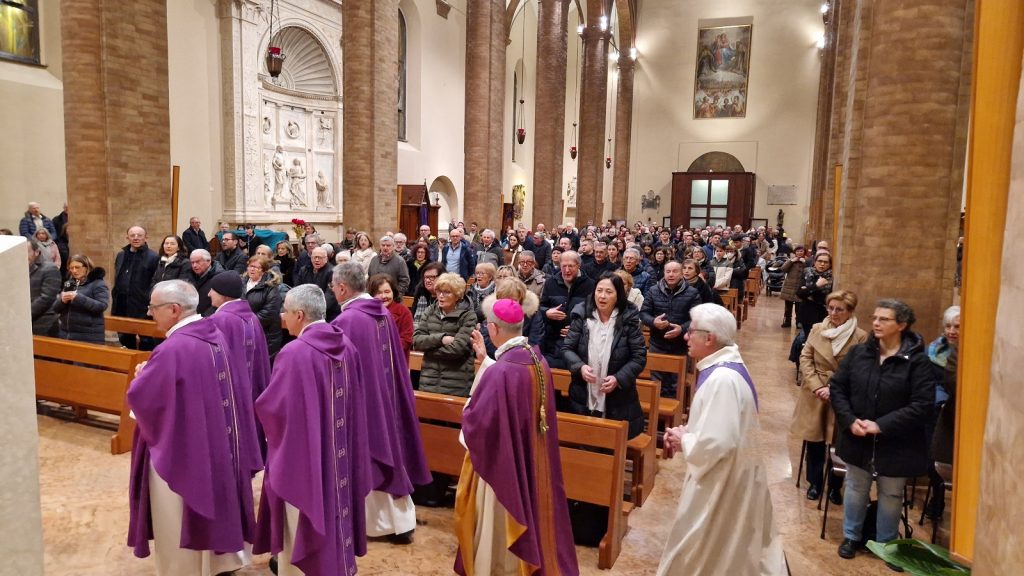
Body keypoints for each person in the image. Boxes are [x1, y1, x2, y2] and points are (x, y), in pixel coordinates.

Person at [127, 280, 262, 575]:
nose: (150, 313)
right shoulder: (214, 334)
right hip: (215, 442)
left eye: (154, 307)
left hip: (184, 450)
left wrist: (141, 377)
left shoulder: (174, 348)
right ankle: (218, 563)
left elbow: (144, 399)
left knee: (177, 513)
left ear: (174, 310)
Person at [658, 303, 786, 575]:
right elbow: (719, 425)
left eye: (691, 331)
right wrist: (689, 432)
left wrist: (685, 441)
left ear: (709, 338)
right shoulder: (724, 368)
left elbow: (718, 443)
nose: (686, 336)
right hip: (730, 473)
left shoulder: (723, 379)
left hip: (722, 482)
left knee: (709, 551)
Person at [454, 298, 579, 576]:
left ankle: (499, 567)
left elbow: (479, 421)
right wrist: (485, 361)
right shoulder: (537, 360)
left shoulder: (503, 370)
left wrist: (468, 409)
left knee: (498, 525)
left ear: (493, 329)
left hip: (503, 464)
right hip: (530, 455)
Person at [253, 285, 372, 576]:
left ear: (299, 315)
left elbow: (275, 409)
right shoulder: (346, 345)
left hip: (304, 458)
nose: (282, 318)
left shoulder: (294, 353)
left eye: (285, 312)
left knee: (302, 516)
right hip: (340, 451)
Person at [329, 263, 431, 545]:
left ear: (342, 288)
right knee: (389, 451)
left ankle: (380, 524)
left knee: (372, 454)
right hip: (386, 397)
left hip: (366, 404)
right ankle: (400, 522)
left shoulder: (349, 320)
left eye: (333, 286)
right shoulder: (381, 313)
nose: (333, 291)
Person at [829, 299, 934, 565]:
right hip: (858, 437)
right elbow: (838, 388)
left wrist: (882, 425)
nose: (876, 323)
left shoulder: (918, 361)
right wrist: (849, 420)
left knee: (891, 494)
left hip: (897, 442)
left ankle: (888, 545)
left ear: (902, 325)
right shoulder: (859, 353)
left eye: (884, 319)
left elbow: (922, 404)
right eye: (875, 318)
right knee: (856, 487)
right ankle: (851, 536)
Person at [792, 290, 868, 504]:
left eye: (839, 309)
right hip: (815, 393)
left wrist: (832, 387)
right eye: (831, 308)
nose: (833, 313)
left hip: (841, 395)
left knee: (838, 442)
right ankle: (815, 482)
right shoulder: (818, 328)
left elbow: (858, 369)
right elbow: (805, 358)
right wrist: (817, 386)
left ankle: (835, 486)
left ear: (850, 311)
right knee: (814, 439)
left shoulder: (860, 336)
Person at [562, 273, 647, 439]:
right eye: (599, 290)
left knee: (611, 443)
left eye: (609, 292)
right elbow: (567, 349)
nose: (602, 296)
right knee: (583, 441)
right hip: (583, 392)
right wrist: (580, 367)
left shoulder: (628, 318)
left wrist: (618, 378)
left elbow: (639, 357)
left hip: (618, 398)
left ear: (618, 295)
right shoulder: (582, 315)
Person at [641, 260, 701, 398]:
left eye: (675, 271)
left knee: (676, 384)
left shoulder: (692, 293)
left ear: (681, 274)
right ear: (664, 273)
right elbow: (643, 314)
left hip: (680, 345)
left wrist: (682, 328)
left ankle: (676, 409)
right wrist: (653, 322)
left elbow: (697, 318)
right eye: (668, 271)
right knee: (657, 383)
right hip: (657, 344)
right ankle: (658, 410)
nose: (671, 274)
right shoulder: (653, 290)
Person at [412, 272, 477, 396]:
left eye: (447, 292)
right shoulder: (429, 311)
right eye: (439, 291)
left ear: (457, 296)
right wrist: (442, 339)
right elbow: (417, 341)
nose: (441, 296)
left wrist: (428, 350)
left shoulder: (468, 316)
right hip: (429, 382)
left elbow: (457, 349)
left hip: (456, 384)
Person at [926, 306, 960, 520]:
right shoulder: (933, 350)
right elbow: (928, 381)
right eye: (948, 326)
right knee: (935, 457)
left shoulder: (970, 351)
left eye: (957, 326)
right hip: (936, 410)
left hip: (958, 410)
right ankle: (936, 499)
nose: (951, 331)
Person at [538, 251, 596, 369]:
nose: (567, 270)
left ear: (578, 265)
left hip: (578, 344)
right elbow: (540, 307)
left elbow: (594, 315)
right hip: (552, 342)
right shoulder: (550, 283)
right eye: (564, 266)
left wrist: (577, 329)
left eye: (571, 266)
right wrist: (546, 312)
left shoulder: (590, 285)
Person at [113, 226, 160, 349]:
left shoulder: (153, 257)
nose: (136, 238)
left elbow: (155, 282)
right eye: (132, 235)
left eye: (139, 235)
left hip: (142, 305)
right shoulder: (121, 255)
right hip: (122, 304)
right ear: (127, 238)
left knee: (146, 340)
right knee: (125, 338)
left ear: (146, 238)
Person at [478, 278, 544, 358]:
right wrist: (502, 354)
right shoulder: (492, 310)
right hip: (495, 357)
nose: (508, 303)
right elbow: (485, 338)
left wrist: (512, 356)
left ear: (521, 299)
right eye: (505, 299)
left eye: (514, 300)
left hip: (522, 358)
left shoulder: (532, 314)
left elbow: (535, 342)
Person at [53, 253, 110, 343]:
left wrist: (77, 297)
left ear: (86, 267)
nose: (74, 271)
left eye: (77, 267)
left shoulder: (98, 284)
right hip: (66, 334)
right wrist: (62, 301)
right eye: (71, 268)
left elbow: (101, 306)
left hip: (89, 336)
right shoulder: (70, 283)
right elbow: (55, 309)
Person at [241, 255, 284, 359]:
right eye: (250, 266)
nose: (252, 269)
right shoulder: (241, 282)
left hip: (266, 334)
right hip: (243, 331)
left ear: (263, 270)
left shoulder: (270, 286)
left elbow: (269, 312)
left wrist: (248, 322)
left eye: (256, 267)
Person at [369, 273, 414, 358]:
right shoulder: (367, 312)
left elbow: (406, 340)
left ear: (393, 292)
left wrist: (383, 349)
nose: (384, 296)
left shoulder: (403, 312)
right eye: (379, 293)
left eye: (387, 292)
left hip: (396, 359)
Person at [29, 239, 62, 336]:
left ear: (36, 252)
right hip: (23, 323)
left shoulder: (50, 269)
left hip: (44, 322)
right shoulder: (18, 269)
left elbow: (46, 298)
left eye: (25, 252)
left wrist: (24, 315)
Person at [294, 246, 338, 319]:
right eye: (314, 257)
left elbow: (330, 296)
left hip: (325, 312)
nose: (317, 260)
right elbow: (297, 290)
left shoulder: (332, 272)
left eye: (320, 258)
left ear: (326, 259)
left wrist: (314, 310)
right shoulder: (304, 270)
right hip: (306, 310)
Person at [796, 251, 834, 334]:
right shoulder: (807, 272)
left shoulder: (831, 277)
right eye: (820, 261)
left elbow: (826, 299)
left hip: (823, 315)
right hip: (807, 313)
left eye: (825, 262)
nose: (822, 264)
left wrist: (808, 290)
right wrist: (817, 286)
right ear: (815, 262)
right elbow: (799, 293)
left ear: (830, 264)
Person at [186, 249, 224, 316]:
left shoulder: (220, 278)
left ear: (208, 261)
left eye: (198, 262)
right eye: (192, 262)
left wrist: (203, 318)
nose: (194, 265)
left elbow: (219, 304)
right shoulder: (189, 274)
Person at [779, 245, 807, 328]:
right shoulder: (791, 260)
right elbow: (783, 269)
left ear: (804, 252)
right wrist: (791, 261)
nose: (799, 253)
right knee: (788, 306)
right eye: (798, 251)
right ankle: (787, 321)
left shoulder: (807, 261)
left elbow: (810, 270)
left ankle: (798, 322)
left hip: (800, 287)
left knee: (799, 306)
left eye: (801, 251)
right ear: (795, 252)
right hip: (789, 286)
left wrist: (805, 263)